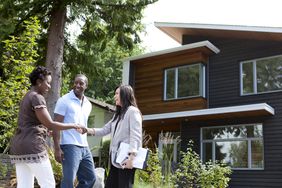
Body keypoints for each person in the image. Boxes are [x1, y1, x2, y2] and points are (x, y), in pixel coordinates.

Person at [9, 66, 83, 188]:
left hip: (18, 147)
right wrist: (74, 125)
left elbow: (32, 122)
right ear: (39, 82)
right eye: (47, 83)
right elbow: (50, 123)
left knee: (24, 185)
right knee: (48, 184)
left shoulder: (27, 96)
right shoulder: (37, 97)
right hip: (32, 146)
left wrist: (44, 129)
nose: (49, 86)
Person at [83, 85, 142, 188]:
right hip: (116, 160)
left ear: (125, 95)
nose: (115, 96)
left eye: (117, 93)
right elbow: (104, 130)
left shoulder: (132, 111)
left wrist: (131, 158)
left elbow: (135, 135)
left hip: (126, 159)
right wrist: (87, 130)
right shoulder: (117, 115)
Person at [53, 74, 96, 188]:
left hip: (84, 146)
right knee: (68, 181)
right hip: (69, 145)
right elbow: (56, 125)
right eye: (76, 82)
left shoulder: (88, 104)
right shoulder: (64, 100)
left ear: (86, 86)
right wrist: (57, 148)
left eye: (81, 83)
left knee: (90, 178)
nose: (77, 85)